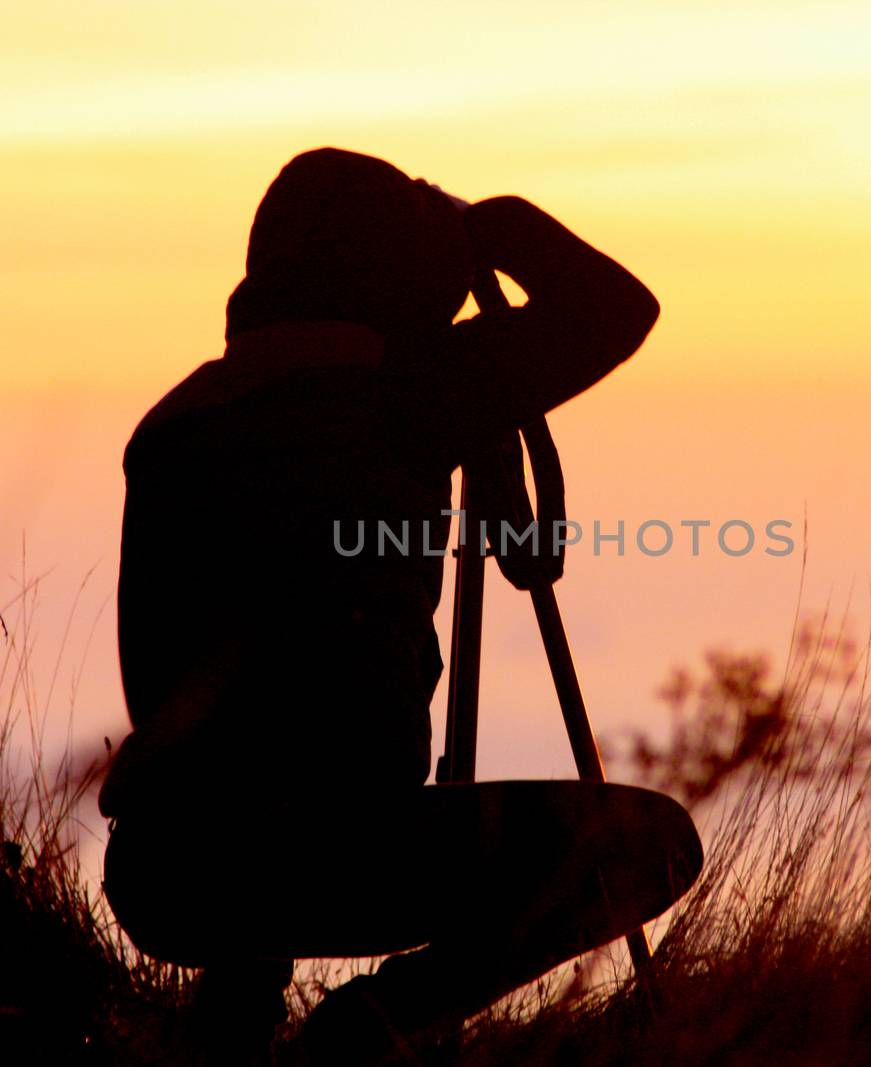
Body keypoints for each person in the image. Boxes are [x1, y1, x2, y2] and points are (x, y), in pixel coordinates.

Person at [98, 147, 702, 1064]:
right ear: (384, 275)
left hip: (163, 871)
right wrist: (489, 223)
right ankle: (368, 1030)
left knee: (257, 757)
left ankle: (230, 1037)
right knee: (652, 844)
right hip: (324, 855)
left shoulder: (180, 421)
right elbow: (618, 309)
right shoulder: (405, 394)